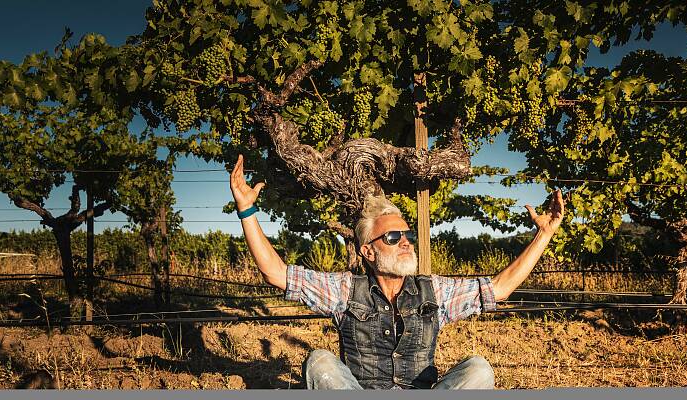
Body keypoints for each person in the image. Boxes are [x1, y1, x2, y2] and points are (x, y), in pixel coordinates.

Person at [229, 154, 565, 389]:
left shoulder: (434, 291)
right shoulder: (346, 290)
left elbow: (500, 288)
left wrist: (544, 234)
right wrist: (247, 210)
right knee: (319, 362)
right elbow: (276, 272)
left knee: (478, 370)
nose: (405, 242)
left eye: (407, 235)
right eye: (393, 237)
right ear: (368, 251)